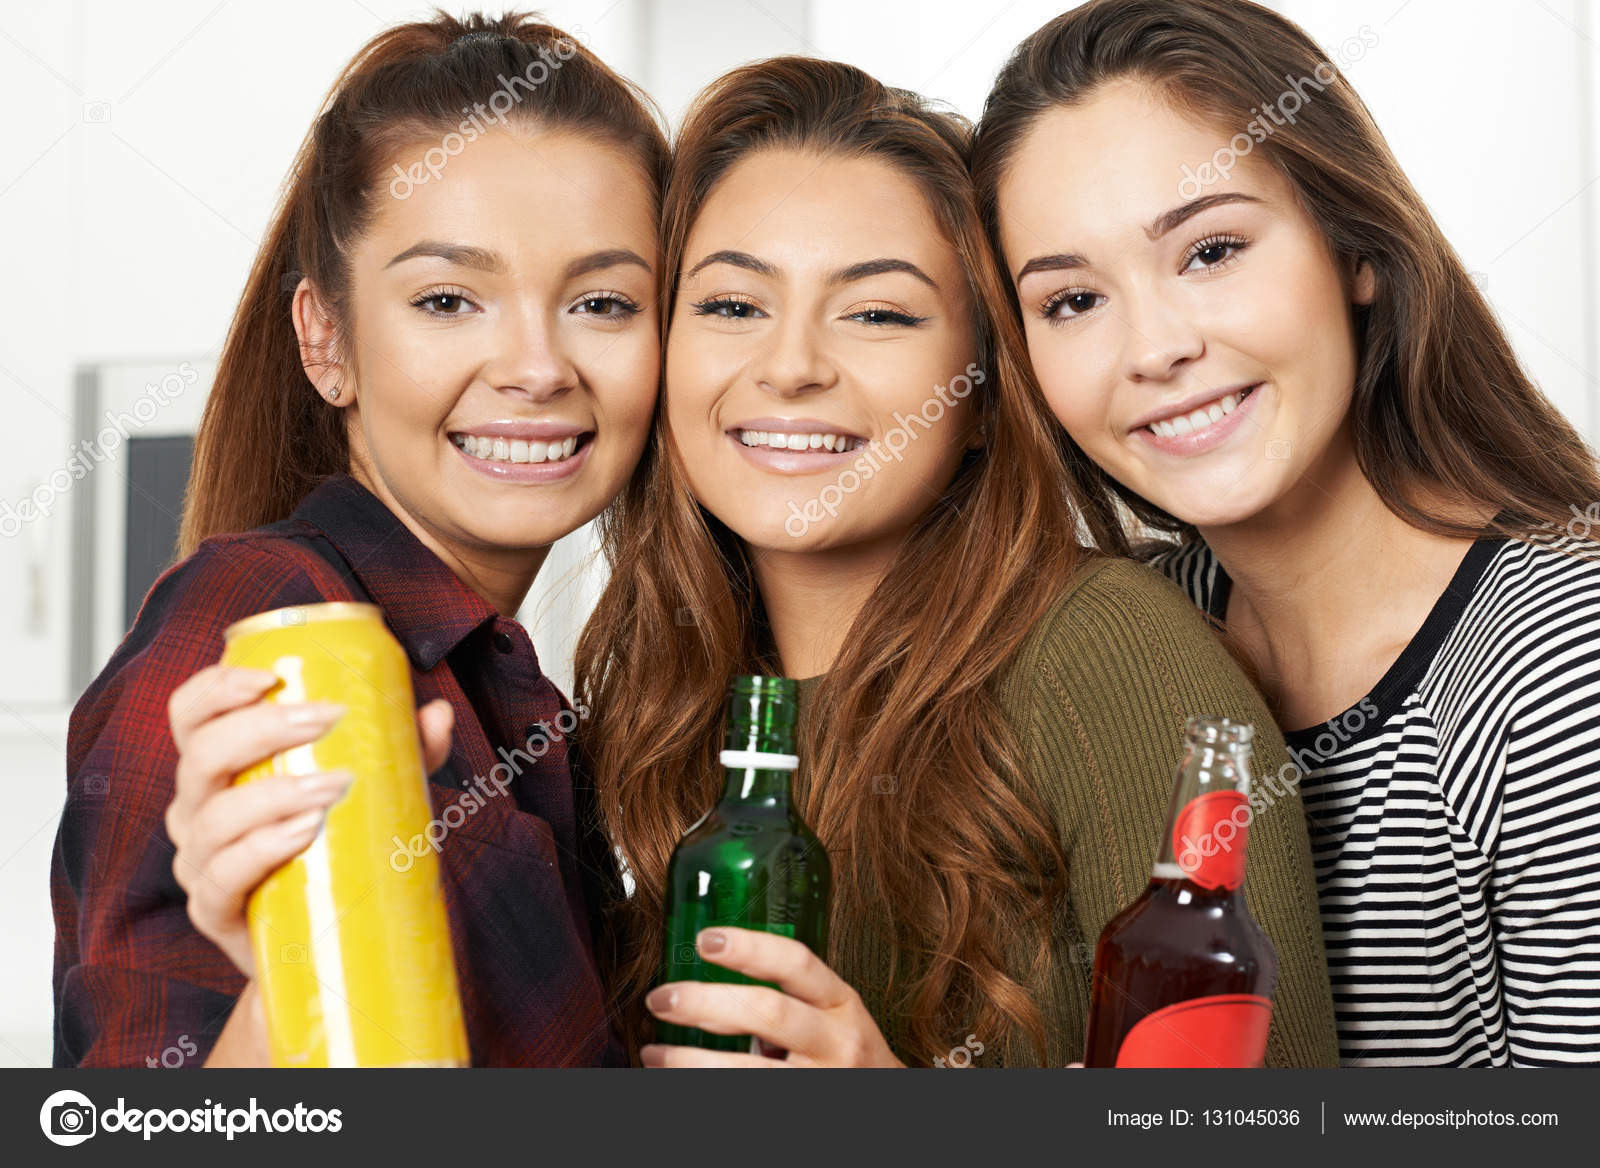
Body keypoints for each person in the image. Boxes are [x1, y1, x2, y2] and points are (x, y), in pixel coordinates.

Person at [575, 56, 1339, 1068]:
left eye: (879, 313)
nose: (792, 364)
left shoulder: (1104, 650)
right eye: (731, 306)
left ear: (980, 391)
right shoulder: (670, 696)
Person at [971, 0, 1600, 1065]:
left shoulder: (1558, 669)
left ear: (1353, 249)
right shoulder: (1128, 640)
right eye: (1073, 300)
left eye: (1210, 249)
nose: (1156, 346)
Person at [51, 12, 666, 1067]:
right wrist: (284, 993)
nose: (536, 365)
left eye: (602, 301)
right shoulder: (259, 621)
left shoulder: (516, 700)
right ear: (326, 339)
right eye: (447, 299)